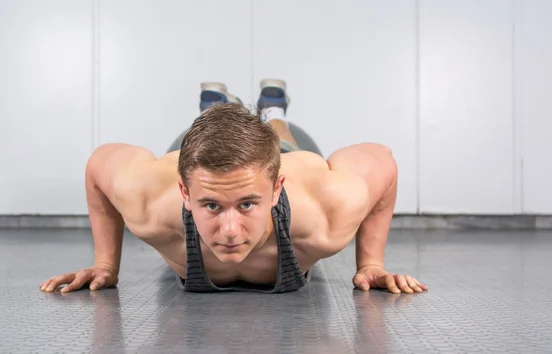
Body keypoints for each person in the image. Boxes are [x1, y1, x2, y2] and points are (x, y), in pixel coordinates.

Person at [40, 79, 428, 294]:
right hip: (192, 160)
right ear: (184, 194)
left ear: (277, 191)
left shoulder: (325, 213)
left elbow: (383, 161)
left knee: (281, 143)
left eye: (246, 205)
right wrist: (106, 264)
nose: (228, 231)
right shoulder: (148, 201)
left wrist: (371, 264)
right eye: (210, 205)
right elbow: (99, 165)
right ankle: (213, 114)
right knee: (201, 143)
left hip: (283, 159)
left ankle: (273, 112)